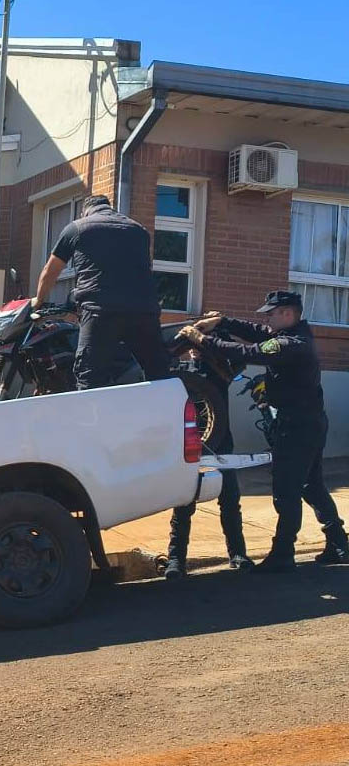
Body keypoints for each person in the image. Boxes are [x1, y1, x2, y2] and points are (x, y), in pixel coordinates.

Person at [178, 290, 349, 572]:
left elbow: (249, 352)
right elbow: (256, 332)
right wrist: (222, 321)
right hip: (309, 423)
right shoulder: (292, 335)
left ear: (288, 313)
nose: (267, 319)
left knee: (286, 491)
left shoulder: (291, 344)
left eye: (271, 314)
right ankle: (339, 543)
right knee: (312, 486)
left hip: (296, 427)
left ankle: (282, 554)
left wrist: (203, 340)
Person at [32, 194, 170, 390]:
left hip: (101, 311)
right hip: (144, 310)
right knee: (158, 373)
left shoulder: (77, 228)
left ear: (85, 212)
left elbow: (50, 271)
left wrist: (38, 300)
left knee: (89, 376)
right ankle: (167, 408)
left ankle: (91, 411)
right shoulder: (138, 230)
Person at [165, 346, 254, 579]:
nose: (195, 350)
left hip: (221, 445)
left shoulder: (219, 370)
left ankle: (238, 554)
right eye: (191, 345)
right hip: (188, 447)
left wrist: (212, 342)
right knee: (184, 504)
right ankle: (176, 560)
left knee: (230, 500)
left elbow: (241, 360)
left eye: (198, 345)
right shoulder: (178, 373)